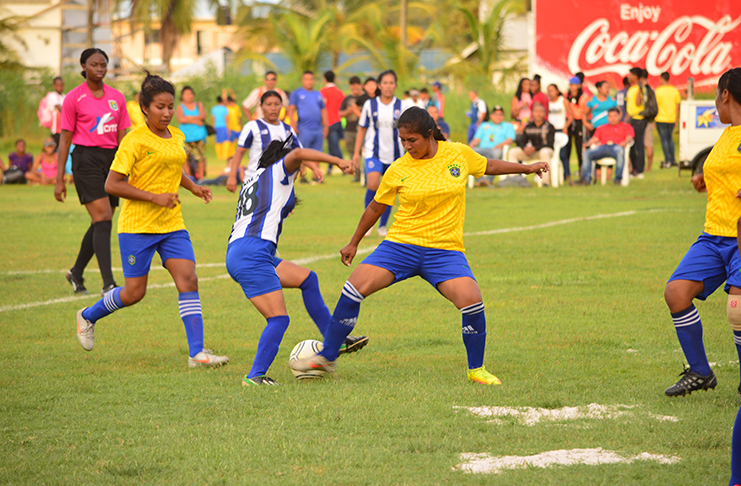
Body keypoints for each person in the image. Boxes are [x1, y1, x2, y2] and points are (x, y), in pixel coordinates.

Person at [288, 107, 549, 383]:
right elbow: (376, 208)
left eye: (412, 140)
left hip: (444, 250)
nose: (407, 146)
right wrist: (353, 242)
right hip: (401, 245)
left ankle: (476, 370)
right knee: (354, 287)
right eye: (403, 140)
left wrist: (527, 168)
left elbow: (490, 165)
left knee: (472, 300)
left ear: (429, 135)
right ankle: (327, 357)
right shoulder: (399, 168)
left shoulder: (457, 153)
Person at [74, 72, 229, 368]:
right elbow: (112, 185)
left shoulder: (178, 136)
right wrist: (154, 197)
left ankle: (197, 353)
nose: (167, 113)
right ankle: (87, 316)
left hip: (172, 224)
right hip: (137, 227)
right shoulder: (134, 140)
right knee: (134, 293)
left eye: (170, 107)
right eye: (160, 107)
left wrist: (193, 186)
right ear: (145, 108)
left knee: (189, 279)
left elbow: (172, 169)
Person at [225, 138, 362, 386]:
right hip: (252, 253)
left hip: (246, 250)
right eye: (299, 170)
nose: (299, 173)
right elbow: (298, 153)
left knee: (308, 279)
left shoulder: (254, 177)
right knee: (278, 319)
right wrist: (338, 160)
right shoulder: (277, 171)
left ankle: (334, 341)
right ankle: (254, 377)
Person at [662, 67, 741, 398]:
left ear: (726, 94)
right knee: (677, 293)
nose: (714, 103)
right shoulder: (728, 134)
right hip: (713, 235)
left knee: (737, 311)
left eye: (716, 96)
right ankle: (700, 371)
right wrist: (705, 181)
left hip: (739, 238)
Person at [54, 48, 130, 296]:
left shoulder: (117, 98)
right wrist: (59, 180)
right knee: (104, 218)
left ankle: (76, 273)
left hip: (112, 160)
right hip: (86, 159)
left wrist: (126, 168)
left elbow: (123, 138)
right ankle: (108, 284)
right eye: (94, 64)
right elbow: (65, 141)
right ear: (84, 66)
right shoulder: (73, 98)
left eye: (103, 64)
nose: (100, 68)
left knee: (101, 221)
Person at [353, 70, 413, 237]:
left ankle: (382, 226)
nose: (388, 86)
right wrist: (356, 153)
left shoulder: (402, 106)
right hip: (374, 152)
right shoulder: (370, 105)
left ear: (396, 85)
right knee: (373, 184)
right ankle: (368, 222)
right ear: (379, 85)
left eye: (391, 83)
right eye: (385, 83)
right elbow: (362, 129)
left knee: (389, 191)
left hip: (396, 155)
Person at [227, 90, 312, 189]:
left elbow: (299, 153)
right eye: (268, 104)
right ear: (261, 107)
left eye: (276, 104)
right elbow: (239, 153)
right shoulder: (252, 127)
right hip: (255, 183)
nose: (273, 108)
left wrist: (314, 168)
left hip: (280, 185)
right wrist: (232, 176)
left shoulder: (288, 129)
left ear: (281, 106)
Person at [288, 71, 329, 181]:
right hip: (304, 128)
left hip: (317, 128)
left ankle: (316, 176)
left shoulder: (317, 94)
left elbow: (323, 110)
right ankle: (303, 176)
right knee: (302, 153)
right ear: (303, 80)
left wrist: (326, 126)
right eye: (307, 79)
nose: (309, 81)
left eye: (311, 79)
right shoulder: (297, 94)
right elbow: (291, 110)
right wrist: (293, 124)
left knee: (317, 153)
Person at [579, 108, 634, 185]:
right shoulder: (602, 127)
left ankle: (618, 179)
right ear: (607, 117)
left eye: (615, 116)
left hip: (616, 146)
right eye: (610, 116)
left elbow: (630, 137)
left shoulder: (626, 126)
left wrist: (624, 142)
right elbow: (595, 138)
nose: (613, 118)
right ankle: (586, 179)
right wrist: (588, 143)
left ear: (619, 116)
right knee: (587, 153)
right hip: (603, 147)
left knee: (620, 151)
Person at [507, 103, 556, 184]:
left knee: (545, 152)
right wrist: (524, 148)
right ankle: (514, 180)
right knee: (513, 152)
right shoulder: (529, 127)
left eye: (541, 111)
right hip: (531, 152)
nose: (538, 114)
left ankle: (545, 182)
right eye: (536, 111)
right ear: (532, 113)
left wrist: (535, 148)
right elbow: (522, 141)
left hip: (545, 152)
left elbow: (550, 144)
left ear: (544, 113)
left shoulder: (549, 127)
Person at [470, 106, 515, 186]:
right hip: (483, 149)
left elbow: (510, 139)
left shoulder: (507, 126)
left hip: (496, 149)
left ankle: (488, 180)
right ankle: (479, 180)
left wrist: (501, 144)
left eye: (500, 114)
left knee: (497, 153)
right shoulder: (484, 125)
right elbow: (476, 139)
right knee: (471, 152)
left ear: (503, 116)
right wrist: (471, 145)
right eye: (496, 114)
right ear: (491, 115)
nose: (498, 117)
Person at [176, 86, 208, 179]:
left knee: (200, 157)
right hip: (186, 136)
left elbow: (203, 116)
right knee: (185, 157)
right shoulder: (180, 107)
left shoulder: (198, 104)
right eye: (186, 94)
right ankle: (189, 177)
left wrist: (188, 118)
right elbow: (181, 119)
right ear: (182, 96)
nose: (189, 96)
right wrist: (195, 120)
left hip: (199, 135)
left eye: (190, 94)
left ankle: (202, 177)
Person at [320, 70, 346, 174]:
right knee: (332, 145)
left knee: (334, 146)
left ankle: (344, 165)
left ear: (324, 79)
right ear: (334, 79)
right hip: (338, 121)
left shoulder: (322, 92)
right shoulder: (340, 93)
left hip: (328, 122)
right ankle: (330, 168)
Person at [547, 84, 574, 181]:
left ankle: (567, 175)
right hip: (550, 131)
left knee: (563, 154)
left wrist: (566, 127)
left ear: (557, 91)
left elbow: (571, 116)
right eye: (548, 91)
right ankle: (549, 175)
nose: (550, 93)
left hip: (561, 129)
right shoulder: (547, 102)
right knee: (550, 153)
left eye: (552, 90)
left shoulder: (563, 100)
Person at [655, 72, 682, 169]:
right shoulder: (674, 91)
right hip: (671, 118)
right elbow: (677, 105)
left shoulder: (658, 91)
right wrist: (676, 118)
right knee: (670, 139)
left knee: (664, 140)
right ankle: (673, 159)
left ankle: (667, 160)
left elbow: (656, 106)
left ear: (662, 79)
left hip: (661, 118)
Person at [339, 76, 364, 182]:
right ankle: (357, 175)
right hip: (349, 130)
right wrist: (350, 111)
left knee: (365, 153)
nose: (354, 89)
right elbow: (340, 113)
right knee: (352, 153)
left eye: (356, 87)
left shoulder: (365, 98)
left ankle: (366, 175)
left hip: (362, 130)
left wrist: (358, 110)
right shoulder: (347, 99)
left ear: (361, 86)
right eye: (352, 87)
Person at [565, 76, 589, 178]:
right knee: (567, 147)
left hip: (579, 122)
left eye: (574, 85)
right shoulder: (566, 96)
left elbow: (585, 111)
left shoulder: (583, 97)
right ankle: (567, 173)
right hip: (569, 121)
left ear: (579, 85)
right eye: (571, 85)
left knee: (580, 147)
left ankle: (581, 171)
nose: (572, 87)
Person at [626, 67, 648, 178]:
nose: (628, 77)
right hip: (631, 119)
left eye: (630, 75)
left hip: (639, 119)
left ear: (635, 76)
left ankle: (639, 170)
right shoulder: (631, 89)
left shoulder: (640, 88)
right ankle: (633, 169)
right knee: (632, 146)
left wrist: (640, 88)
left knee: (639, 145)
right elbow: (629, 106)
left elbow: (638, 103)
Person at [40, 76, 66, 148]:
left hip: (63, 126)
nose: (60, 87)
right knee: (54, 147)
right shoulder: (52, 96)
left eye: (61, 85)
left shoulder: (64, 96)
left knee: (63, 146)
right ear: (54, 86)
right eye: (57, 85)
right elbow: (60, 108)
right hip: (56, 127)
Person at [639, 69, 656, 172]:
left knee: (643, 144)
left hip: (640, 118)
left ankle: (643, 166)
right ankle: (648, 167)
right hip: (649, 119)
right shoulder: (651, 89)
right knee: (648, 144)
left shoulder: (640, 89)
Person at [211, 95, 230, 161]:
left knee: (218, 142)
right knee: (226, 140)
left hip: (216, 127)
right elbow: (226, 119)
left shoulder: (214, 109)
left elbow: (212, 119)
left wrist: (212, 127)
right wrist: (228, 128)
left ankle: (219, 156)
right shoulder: (225, 108)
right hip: (224, 126)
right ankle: (225, 156)